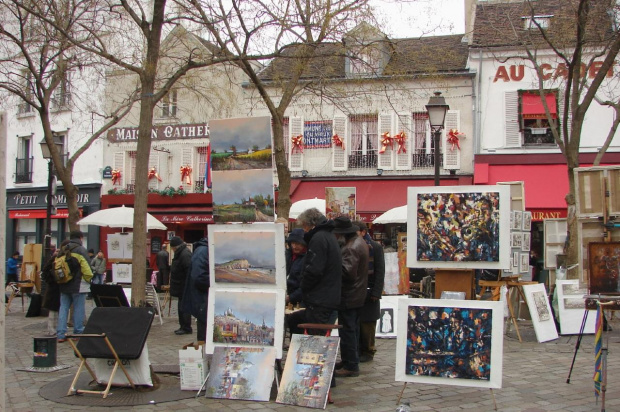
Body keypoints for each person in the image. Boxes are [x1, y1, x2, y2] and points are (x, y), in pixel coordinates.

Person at [287, 208, 342, 335]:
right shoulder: (327, 236)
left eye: (304, 227)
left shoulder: (319, 238)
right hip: (325, 298)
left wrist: (304, 287)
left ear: (310, 224)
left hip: (320, 300)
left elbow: (314, 270)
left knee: (315, 336)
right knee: (296, 319)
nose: (304, 230)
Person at [333, 216, 368, 378]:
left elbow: (347, 273)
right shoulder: (359, 242)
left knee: (347, 330)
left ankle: (351, 365)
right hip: (356, 293)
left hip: (349, 294)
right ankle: (349, 360)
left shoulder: (350, 247)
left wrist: (332, 267)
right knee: (351, 329)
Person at [354, 221, 385, 363]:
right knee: (358, 322)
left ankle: (368, 350)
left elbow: (380, 271)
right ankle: (359, 349)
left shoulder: (376, 248)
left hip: (370, 290)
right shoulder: (352, 247)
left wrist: (376, 292)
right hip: (357, 290)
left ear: (363, 232)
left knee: (368, 324)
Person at [57, 231, 93, 343]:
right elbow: (87, 268)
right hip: (78, 284)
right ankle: (78, 332)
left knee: (63, 308)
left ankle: (61, 333)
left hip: (64, 283)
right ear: (81, 238)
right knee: (78, 308)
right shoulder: (81, 250)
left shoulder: (63, 250)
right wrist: (89, 279)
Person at [182, 237, 210, 342]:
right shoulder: (203, 251)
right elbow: (199, 278)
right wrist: (220, 280)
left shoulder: (204, 250)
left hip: (205, 303)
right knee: (204, 339)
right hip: (204, 303)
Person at [169, 236, 193, 335]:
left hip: (184, 285)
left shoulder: (184, 254)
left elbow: (188, 270)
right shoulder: (182, 253)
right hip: (181, 285)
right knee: (181, 306)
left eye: (172, 248)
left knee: (184, 307)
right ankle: (183, 326)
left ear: (176, 247)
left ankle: (186, 327)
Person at [41, 246, 60, 336]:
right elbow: (44, 272)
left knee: (56, 309)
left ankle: (54, 328)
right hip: (54, 287)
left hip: (55, 287)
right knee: (53, 309)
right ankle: (52, 329)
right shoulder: (53, 261)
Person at [285, 228, 307, 306]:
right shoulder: (287, 255)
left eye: (297, 243)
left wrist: (290, 297)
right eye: (292, 243)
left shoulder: (308, 259)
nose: (294, 246)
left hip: (299, 301)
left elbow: (306, 285)